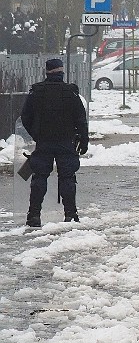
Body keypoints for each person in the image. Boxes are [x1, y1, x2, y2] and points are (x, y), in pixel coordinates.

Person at [20, 58, 88, 226]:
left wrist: (36, 134)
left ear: (47, 72)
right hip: (66, 141)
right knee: (67, 177)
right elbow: (81, 119)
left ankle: (33, 215)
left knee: (39, 177)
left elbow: (25, 117)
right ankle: (70, 214)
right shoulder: (70, 92)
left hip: (44, 141)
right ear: (62, 72)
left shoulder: (36, 92)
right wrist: (83, 140)